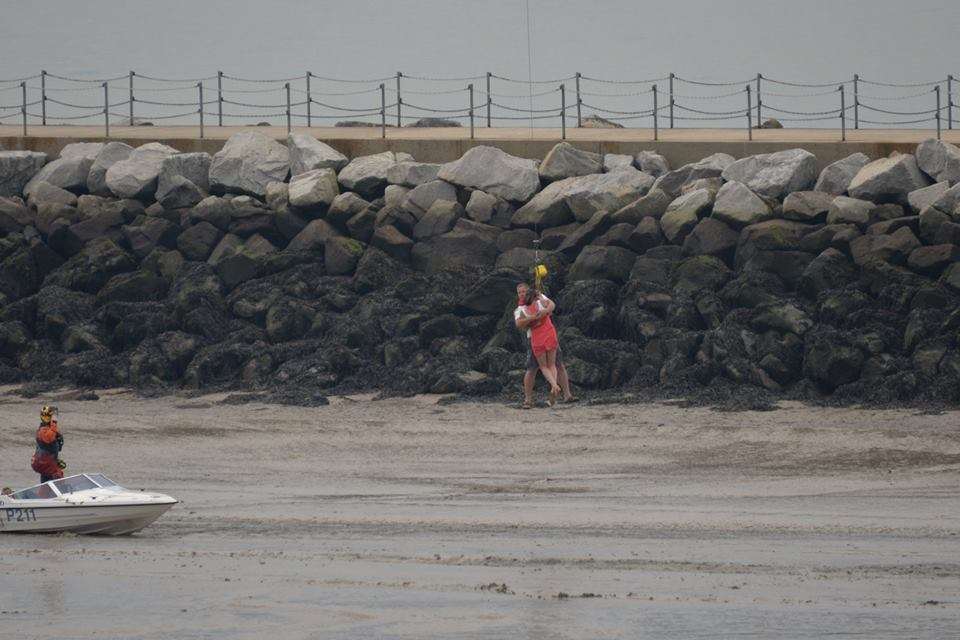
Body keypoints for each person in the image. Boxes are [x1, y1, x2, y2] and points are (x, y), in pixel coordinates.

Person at [513, 282, 575, 408]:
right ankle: (528, 399)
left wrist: (545, 311)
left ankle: (567, 395)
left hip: (549, 336)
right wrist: (533, 318)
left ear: (528, 291)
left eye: (524, 291)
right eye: (519, 292)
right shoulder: (520, 309)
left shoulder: (539, 297)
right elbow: (519, 324)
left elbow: (552, 305)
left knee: (559, 365)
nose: (522, 294)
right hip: (534, 339)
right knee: (532, 369)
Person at [31, 405, 65, 483]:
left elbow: (51, 448)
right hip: (46, 464)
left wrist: (57, 461)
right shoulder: (43, 431)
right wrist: (54, 423)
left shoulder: (47, 430)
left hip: (47, 462)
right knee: (58, 480)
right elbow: (48, 439)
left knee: (46, 483)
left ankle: (44, 494)